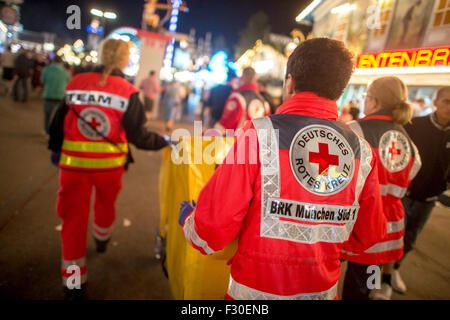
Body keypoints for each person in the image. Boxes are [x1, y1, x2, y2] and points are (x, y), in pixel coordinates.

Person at [178, 38, 386, 300]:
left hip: (254, 293)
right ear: (340, 90)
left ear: (290, 82)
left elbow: (214, 225)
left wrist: (190, 222)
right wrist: (322, 247)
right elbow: (369, 234)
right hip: (321, 291)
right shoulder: (362, 151)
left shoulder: (259, 133)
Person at [48, 39, 168, 299]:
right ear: (125, 60)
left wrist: (56, 150)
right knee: (105, 206)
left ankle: (74, 284)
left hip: (73, 166)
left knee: (72, 221)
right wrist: (166, 141)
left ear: (101, 56)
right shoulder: (127, 92)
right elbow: (138, 136)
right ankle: (102, 239)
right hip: (109, 168)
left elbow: (56, 124)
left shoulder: (75, 83)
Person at [340, 76, 421, 300]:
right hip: (388, 228)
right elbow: (412, 176)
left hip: (354, 222)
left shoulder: (353, 130)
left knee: (326, 279)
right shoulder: (409, 144)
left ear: (373, 102)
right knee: (365, 287)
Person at [393, 86, 450, 294]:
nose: (449, 107)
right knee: (390, 238)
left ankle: (394, 271)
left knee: (410, 239)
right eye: (447, 101)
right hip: (404, 195)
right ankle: (377, 278)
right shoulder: (414, 125)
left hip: (430, 198)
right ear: (435, 102)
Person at [213, 67, 270, 135]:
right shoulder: (264, 102)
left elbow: (226, 123)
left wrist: (211, 134)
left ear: (241, 78)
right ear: (255, 80)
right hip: (256, 143)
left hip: (238, 142)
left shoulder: (237, 98)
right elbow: (267, 128)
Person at [41, 55, 71, 135]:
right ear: (61, 62)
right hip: (61, 97)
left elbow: (42, 81)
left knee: (47, 116)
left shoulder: (46, 69)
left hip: (48, 95)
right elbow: (69, 84)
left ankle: (46, 131)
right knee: (58, 117)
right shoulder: (66, 72)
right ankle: (55, 133)